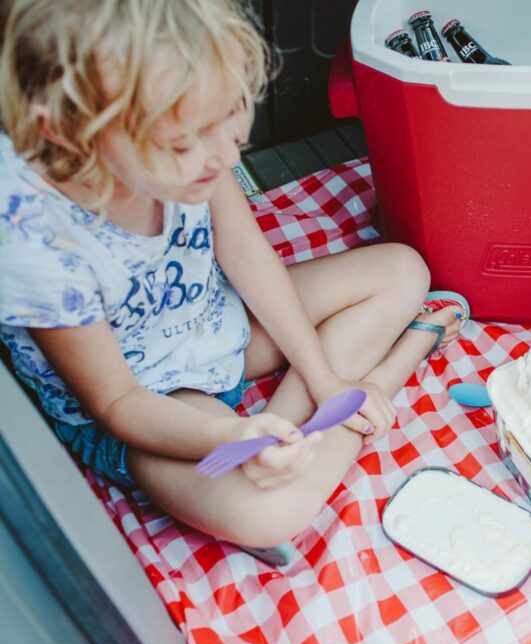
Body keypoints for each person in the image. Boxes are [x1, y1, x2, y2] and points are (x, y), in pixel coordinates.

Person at [0, 0, 468, 563]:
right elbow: (117, 402)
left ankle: (320, 416)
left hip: (213, 331)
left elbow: (245, 253)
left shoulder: (194, 129)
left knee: (402, 270)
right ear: (69, 132)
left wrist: (325, 380)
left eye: (232, 115)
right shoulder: (34, 243)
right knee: (271, 512)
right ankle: (393, 365)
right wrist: (230, 440)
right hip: (151, 404)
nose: (224, 155)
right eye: (184, 144)